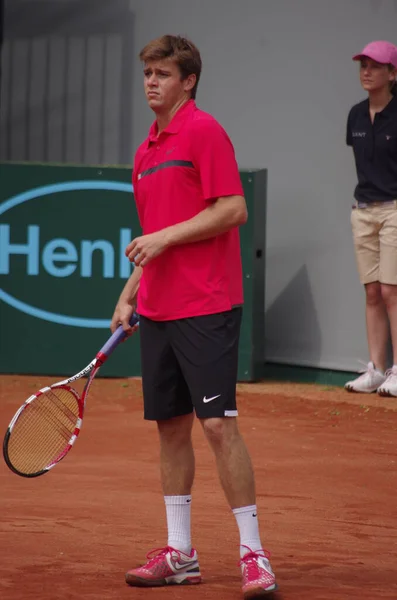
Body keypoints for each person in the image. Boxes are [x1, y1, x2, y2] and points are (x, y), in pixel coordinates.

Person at [110, 35, 277, 597]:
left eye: (163, 73)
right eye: (147, 74)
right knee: (171, 429)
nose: (152, 82)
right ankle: (180, 552)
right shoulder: (145, 151)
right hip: (157, 308)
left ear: (189, 81)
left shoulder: (204, 132)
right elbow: (157, 239)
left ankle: (253, 553)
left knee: (216, 425)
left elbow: (233, 208)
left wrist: (158, 240)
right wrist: (131, 291)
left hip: (206, 304)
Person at [344, 41, 397, 395]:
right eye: (363, 64)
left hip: (395, 209)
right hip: (363, 211)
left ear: (392, 74)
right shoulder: (355, 115)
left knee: (392, 290)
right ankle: (376, 369)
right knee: (373, 292)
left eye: (375, 66)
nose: (367, 71)